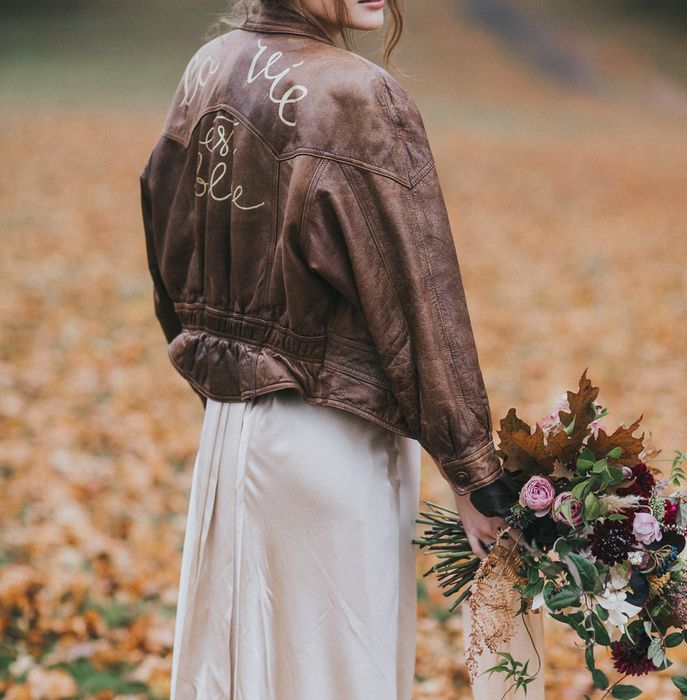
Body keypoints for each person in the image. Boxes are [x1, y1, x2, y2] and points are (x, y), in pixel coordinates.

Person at [139, 0, 542, 697]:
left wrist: (217, 372)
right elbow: (419, 297)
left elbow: (165, 244)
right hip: (332, 443)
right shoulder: (357, 94)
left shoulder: (208, 67)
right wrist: (475, 471)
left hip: (232, 435)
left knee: (242, 677)